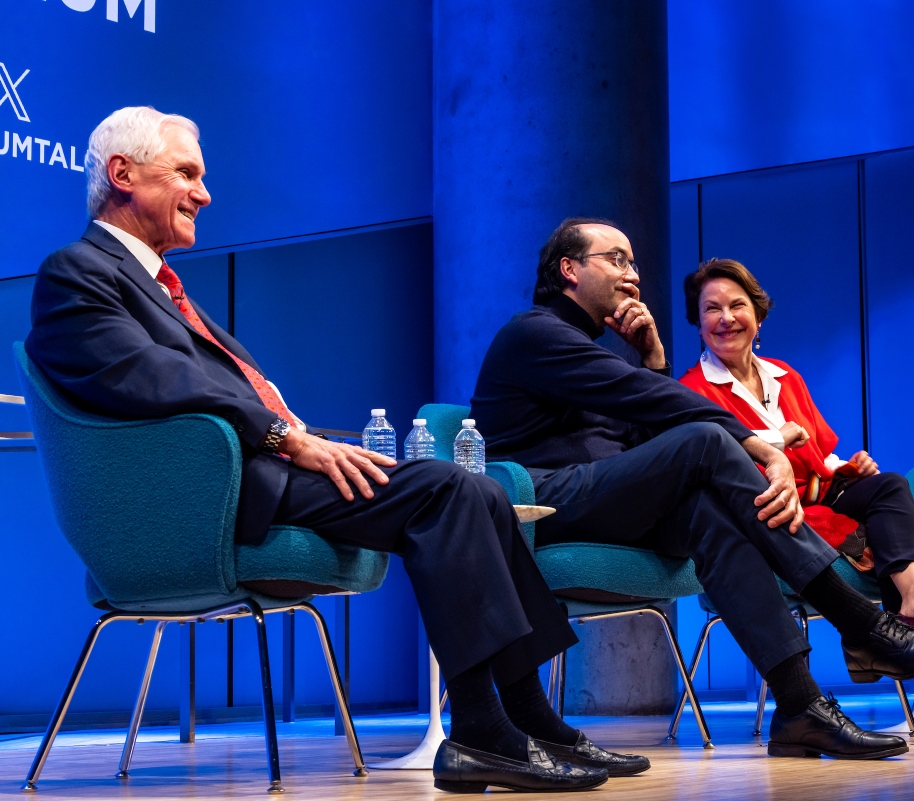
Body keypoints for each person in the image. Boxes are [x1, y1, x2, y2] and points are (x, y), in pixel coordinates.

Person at [25, 108, 643, 793]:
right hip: (213, 497)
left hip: (255, 472)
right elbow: (148, 377)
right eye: (188, 174)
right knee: (451, 490)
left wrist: (296, 437)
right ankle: (482, 731)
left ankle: (528, 720)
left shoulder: (163, 289)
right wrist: (286, 437)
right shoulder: (76, 272)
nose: (205, 193)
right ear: (123, 175)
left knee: (479, 490)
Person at [471, 218, 914, 760]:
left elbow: (646, 432)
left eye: (633, 262)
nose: (632, 275)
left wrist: (653, 359)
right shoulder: (535, 333)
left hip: (603, 499)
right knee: (706, 440)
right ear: (569, 269)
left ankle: (799, 704)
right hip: (544, 502)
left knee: (713, 520)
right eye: (616, 259)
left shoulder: (596, 355)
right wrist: (761, 448)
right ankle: (863, 624)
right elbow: (671, 422)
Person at [677, 258, 914, 742]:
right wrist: (777, 442)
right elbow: (725, 464)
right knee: (868, 535)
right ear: (698, 322)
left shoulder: (784, 376)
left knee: (891, 486)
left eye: (737, 305)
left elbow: (819, 450)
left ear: (759, 316)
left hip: (819, 495)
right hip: (767, 512)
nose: (726, 317)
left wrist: (847, 466)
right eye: (712, 309)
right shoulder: (693, 390)